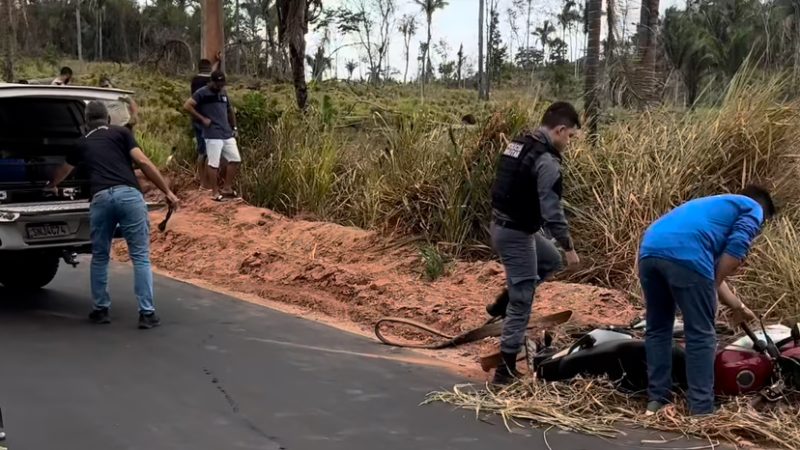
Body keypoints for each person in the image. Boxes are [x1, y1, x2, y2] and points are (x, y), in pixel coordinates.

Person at [638, 185, 773, 416]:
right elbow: (736, 251)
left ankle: (657, 400)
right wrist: (709, 288)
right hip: (685, 254)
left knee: (658, 329)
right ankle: (701, 409)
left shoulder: (712, 208)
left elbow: (708, 272)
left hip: (649, 251)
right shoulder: (753, 207)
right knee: (701, 334)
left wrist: (738, 306)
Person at [48, 101, 179, 329]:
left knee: (100, 256)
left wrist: (52, 185)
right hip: (128, 195)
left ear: (86, 122)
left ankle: (101, 310)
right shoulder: (121, 133)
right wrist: (167, 191)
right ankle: (146, 314)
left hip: (100, 199)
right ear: (108, 118)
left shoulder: (82, 142)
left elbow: (64, 170)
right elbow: (143, 161)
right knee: (139, 256)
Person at [487, 101, 582, 385]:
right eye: (570, 137)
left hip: (504, 226)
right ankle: (504, 372)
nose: (569, 142)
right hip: (516, 233)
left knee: (549, 260)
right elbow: (552, 210)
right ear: (560, 130)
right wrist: (570, 247)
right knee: (523, 299)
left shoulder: (520, 142)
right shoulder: (547, 160)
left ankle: (502, 301)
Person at [183, 70, 241, 201]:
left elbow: (229, 110)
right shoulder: (202, 92)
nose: (220, 87)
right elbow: (187, 106)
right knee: (213, 163)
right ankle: (214, 192)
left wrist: (234, 127)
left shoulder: (223, 92)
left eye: (222, 84)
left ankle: (227, 188)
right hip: (212, 133)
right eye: (217, 84)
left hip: (226, 132)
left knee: (235, 159)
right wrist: (202, 119)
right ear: (211, 82)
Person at [190, 55, 221, 188]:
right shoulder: (209, 80)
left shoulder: (195, 80)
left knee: (201, 151)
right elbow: (213, 74)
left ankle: (203, 182)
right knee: (207, 152)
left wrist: (217, 62)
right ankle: (206, 183)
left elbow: (211, 72)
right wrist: (219, 61)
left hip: (196, 118)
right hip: (206, 120)